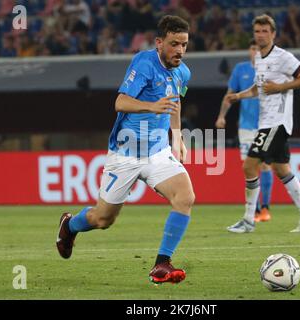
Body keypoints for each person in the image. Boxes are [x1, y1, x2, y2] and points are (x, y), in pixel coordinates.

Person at [56, 15, 194, 284]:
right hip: (125, 154)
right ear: (159, 43)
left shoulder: (183, 72)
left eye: (184, 45)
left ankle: (161, 265)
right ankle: (69, 226)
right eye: (174, 43)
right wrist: (151, 106)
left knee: (185, 197)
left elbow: (174, 102)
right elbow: (120, 102)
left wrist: (177, 137)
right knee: (103, 218)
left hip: (157, 153)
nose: (180, 50)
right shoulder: (144, 63)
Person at [225, 14, 300, 233]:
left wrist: (280, 88)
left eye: (265, 31)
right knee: (281, 169)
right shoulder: (259, 58)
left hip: (276, 123)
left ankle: (249, 220)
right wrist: (238, 96)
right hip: (267, 123)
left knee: (249, 165)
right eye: (257, 31)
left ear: (273, 34)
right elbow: (259, 89)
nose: (260, 35)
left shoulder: (283, 57)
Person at [215, 39, 273, 234]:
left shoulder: (271, 68)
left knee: (264, 165)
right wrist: (221, 116)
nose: (255, 51)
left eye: (259, 47)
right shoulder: (240, 70)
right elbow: (229, 94)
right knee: (249, 168)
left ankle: (265, 208)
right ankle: (254, 210)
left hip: (266, 125)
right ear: (249, 50)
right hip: (245, 128)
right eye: (253, 48)